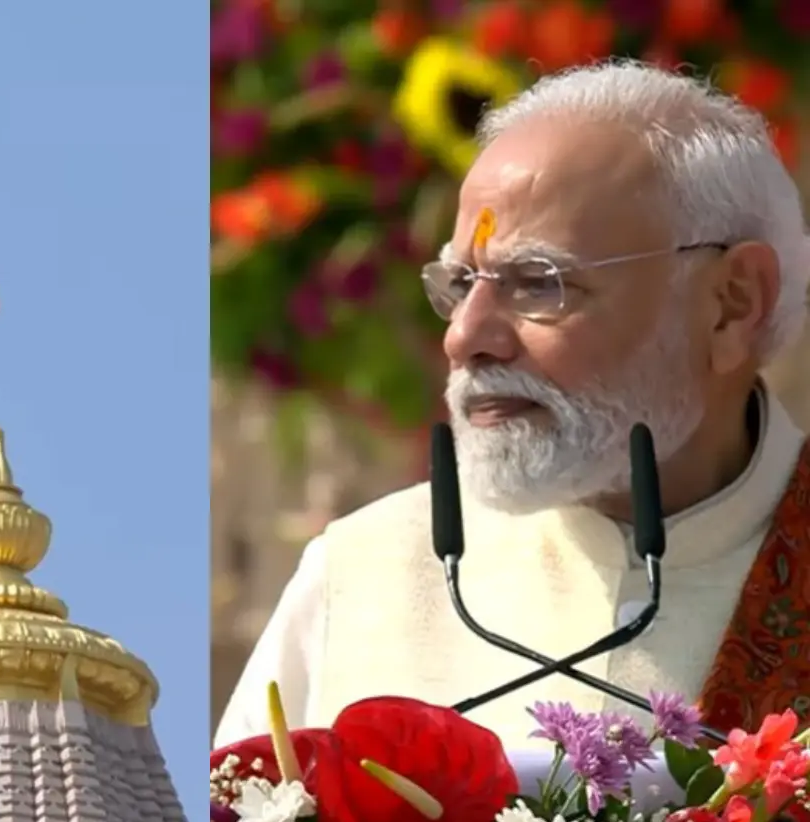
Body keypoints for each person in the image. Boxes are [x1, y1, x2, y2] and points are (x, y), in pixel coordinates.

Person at [214, 60, 810, 751]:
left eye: (537, 283)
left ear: (732, 304)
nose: (466, 337)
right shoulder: (361, 574)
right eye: (461, 282)